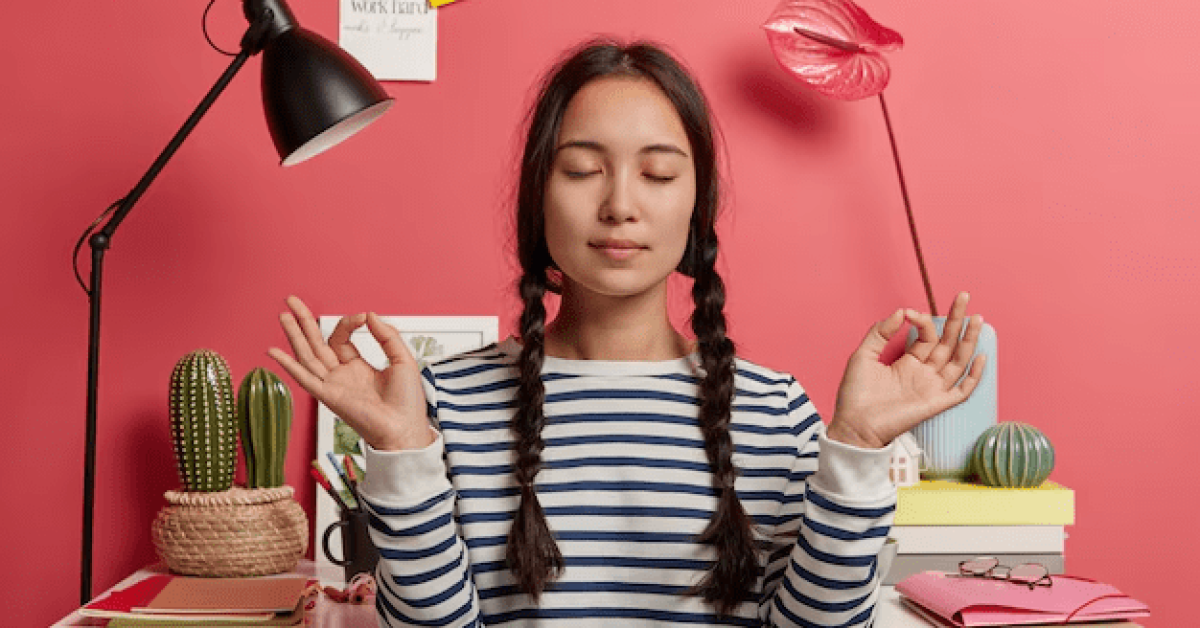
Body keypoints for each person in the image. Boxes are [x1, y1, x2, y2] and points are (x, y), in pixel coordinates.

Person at [269, 39, 986, 627]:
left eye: (658, 174)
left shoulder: (776, 415)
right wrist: (401, 450)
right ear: (537, 199)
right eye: (583, 170)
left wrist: (857, 449)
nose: (619, 204)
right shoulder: (442, 405)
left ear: (697, 207)